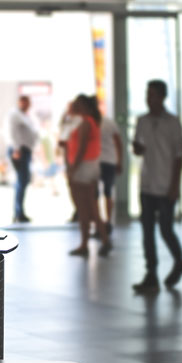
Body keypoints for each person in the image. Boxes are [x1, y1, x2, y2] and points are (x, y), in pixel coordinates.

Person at [132, 80, 182, 292]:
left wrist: (175, 186)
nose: (149, 99)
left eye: (153, 95)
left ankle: (179, 260)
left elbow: (179, 156)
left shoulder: (173, 123)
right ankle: (151, 273)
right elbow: (139, 149)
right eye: (147, 94)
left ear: (162, 97)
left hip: (165, 185)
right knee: (147, 231)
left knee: (165, 229)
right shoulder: (142, 121)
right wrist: (136, 148)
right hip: (146, 184)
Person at [66, 94, 111, 257]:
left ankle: (88, 243)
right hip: (88, 166)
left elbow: (81, 148)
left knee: (86, 208)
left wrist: (73, 169)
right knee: (90, 207)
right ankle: (99, 240)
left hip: (83, 168)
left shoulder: (86, 123)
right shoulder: (89, 122)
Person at [5, 95, 39, 222]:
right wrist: (16, 149)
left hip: (25, 150)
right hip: (19, 151)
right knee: (21, 180)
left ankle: (20, 212)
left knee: (24, 181)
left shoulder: (25, 116)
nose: (27, 105)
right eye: (25, 102)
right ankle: (18, 213)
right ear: (20, 102)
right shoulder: (14, 115)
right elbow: (11, 133)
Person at [98, 114, 123, 234]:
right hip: (100, 162)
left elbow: (118, 143)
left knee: (106, 193)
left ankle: (107, 222)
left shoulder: (107, 123)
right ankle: (101, 222)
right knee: (99, 194)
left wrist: (119, 161)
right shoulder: (96, 123)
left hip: (107, 161)